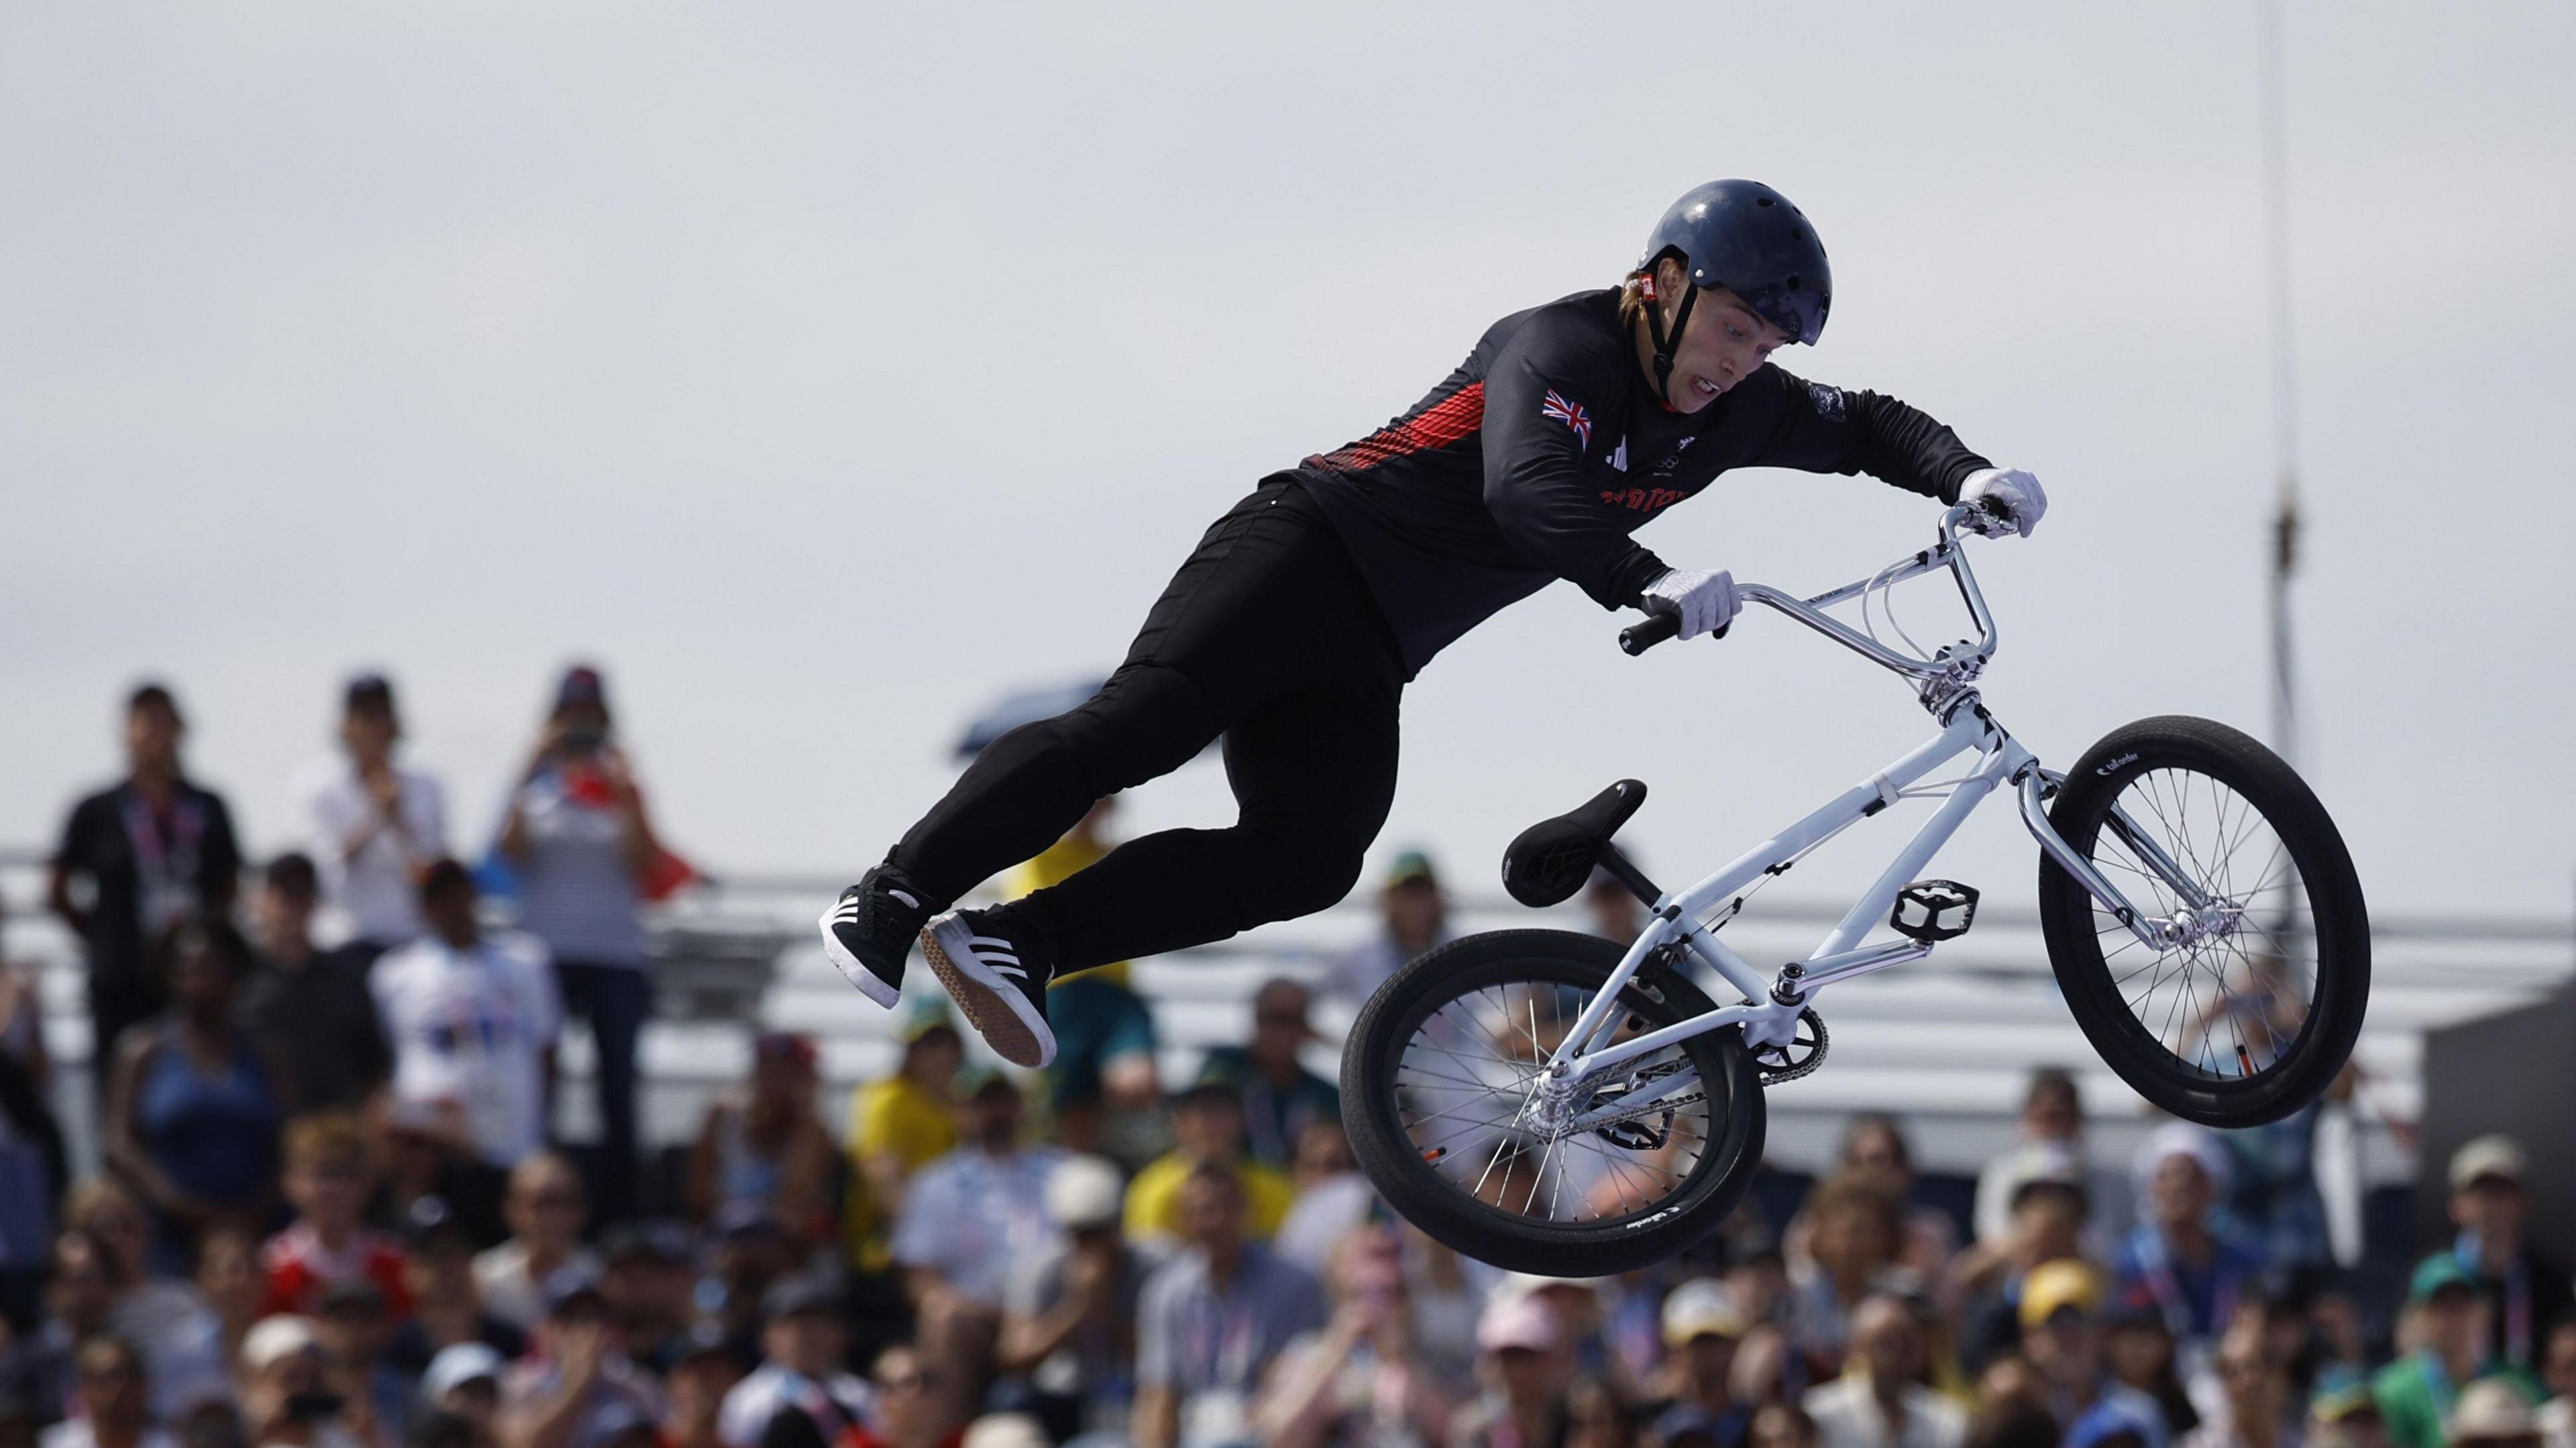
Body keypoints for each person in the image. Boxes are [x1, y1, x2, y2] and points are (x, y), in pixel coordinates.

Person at [815, 178, 2047, 1073]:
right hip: (1301, 552)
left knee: (1313, 854)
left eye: (1768, 344)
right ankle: (890, 893)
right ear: (1663, 285)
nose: (1743, 362)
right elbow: (1528, 488)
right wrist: (1643, 574)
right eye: (1734, 330)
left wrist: (1966, 474)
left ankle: (1012, 943)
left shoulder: (1738, 408)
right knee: (1142, 726)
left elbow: (1869, 422)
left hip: (1372, 650)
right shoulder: (1557, 343)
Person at [497, 664, 667, 1222]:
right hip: (546, 957)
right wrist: (530, 766)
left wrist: (625, 790)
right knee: (539, 1086)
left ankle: (622, 1209)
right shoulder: (537, 790)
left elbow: (646, 863)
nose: (581, 729)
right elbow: (506, 856)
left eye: (591, 719)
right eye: (571, 718)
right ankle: (533, 1200)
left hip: (615, 957)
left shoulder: (621, 790)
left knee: (617, 1088)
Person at [49, 684, 245, 1106]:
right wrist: (101, 937)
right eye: (144, 721)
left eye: (164, 721)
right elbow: (57, 889)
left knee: (196, 1088)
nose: (155, 733)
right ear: (125, 732)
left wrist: (205, 944)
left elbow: (230, 886)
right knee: (120, 1093)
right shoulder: (96, 809)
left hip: (193, 983)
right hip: (121, 979)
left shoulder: (207, 806)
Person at [103, 919, 286, 1269]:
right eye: (190, 969)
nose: (202, 980)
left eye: (213, 969)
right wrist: (181, 1206)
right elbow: (120, 1144)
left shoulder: (265, 1054)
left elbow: (288, 1139)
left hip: (256, 1233)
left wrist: (251, 1213)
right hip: (166, 1238)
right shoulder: (142, 1051)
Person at [891, 1070, 1062, 1435]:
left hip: (1051, 1320)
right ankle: (946, 1436)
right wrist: (981, 1313)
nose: (994, 1112)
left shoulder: (1061, 1172)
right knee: (943, 1315)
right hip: (974, 1321)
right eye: (983, 1103)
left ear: (1020, 1107)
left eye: (1003, 1101)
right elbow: (920, 1277)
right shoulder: (936, 1183)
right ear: (962, 1111)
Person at [373, 862, 563, 1178]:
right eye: (439, 898)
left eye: (458, 894)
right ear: (423, 906)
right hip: (432, 1147)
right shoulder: (394, 973)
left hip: (510, 1139)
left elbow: (547, 1048)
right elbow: (390, 1051)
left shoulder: (527, 960)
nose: (451, 906)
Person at [998, 799, 1161, 1158]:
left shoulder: (1119, 855)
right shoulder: (1034, 850)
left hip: (1114, 996)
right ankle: (1091, 1168)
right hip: (1061, 992)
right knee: (1070, 1112)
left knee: (1136, 1082)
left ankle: (1127, 1155)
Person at [1134, 1164, 1327, 1448]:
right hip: (1194, 1428)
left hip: (1271, 1427)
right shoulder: (1166, 1290)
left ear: (1245, 1212)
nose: (1215, 1221)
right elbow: (1159, 1393)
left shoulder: (1294, 1284)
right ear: (1184, 1220)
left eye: (1225, 1208)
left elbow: (1299, 1383)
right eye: (1201, 1211)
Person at [1252, 1223, 1459, 1448]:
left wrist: (1403, 1361)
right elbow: (1280, 1439)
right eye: (1363, 1295)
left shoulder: (1432, 1354)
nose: (1378, 1309)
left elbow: (1458, 1437)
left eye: (1394, 1293)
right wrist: (1334, 1355)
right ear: (1339, 1296)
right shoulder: (1306, 1354)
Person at [995, 1156, 1150, 1443]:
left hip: (1136, 1393)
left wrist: (1108, 1304)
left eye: (1099, 1230)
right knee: (1008, 1405)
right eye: (1080, 1234)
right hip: (1063, 1396)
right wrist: (1077, 1308)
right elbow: (1013, 1356)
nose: (1091, 1244)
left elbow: (1161, 1361)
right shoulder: (1039, 1269)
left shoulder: (1154, 1265)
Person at [296, 674, 447, 957]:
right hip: (347, 939)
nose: (375, 727)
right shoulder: (316, 788)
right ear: (346, 725)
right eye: (366, 716)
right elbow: (326, 870)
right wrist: (376, 817)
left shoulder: (428, 787)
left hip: (412, 940)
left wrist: (398, 820)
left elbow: (432, 874)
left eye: (382, 715)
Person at [235, 856, 392, 1116]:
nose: (293, 905)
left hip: (340, 1131)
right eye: (284, 894)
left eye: (302, 893)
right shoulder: (239, 980)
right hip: (268, 1136)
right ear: (260, 902)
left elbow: (373, 1067)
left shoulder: (346, 978)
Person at [2113, 1127, 2262, 1372]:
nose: (2179, 1185)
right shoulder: (2129, 1262)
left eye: (2193, 1176)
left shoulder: (2243, 1263)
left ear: (2213, 1187)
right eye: (2166, 1176)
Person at [2369, 1256, 2542, 1448]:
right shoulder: (2393, 1392)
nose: (2452, 1319)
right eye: (2440, 1307)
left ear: (2483, 1311)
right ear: (2417, 1317)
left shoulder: (2517, 1382)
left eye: (2462, 1305)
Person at [2433, 1137, 2571, 1374]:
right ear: (2455, 1205)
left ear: (2524, 1201)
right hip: (2447, 1400)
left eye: (2501, 1192)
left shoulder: (2553, 1282)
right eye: (2479, 1193)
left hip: (2532, 1401)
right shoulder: (2432, 1277)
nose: (2489, 1205)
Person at [685, 1035, 835, 1251]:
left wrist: (803, 1123)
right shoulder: (721, 1118)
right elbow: (697, 1195)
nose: (776, 1083)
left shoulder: (813, 1132)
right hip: (722, 1237)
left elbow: (794, 1197)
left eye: (788, 1074)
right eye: (768, 1071)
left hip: (782, 1246)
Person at [259, 1113, 415, 1321]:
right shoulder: (270, 1268)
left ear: (369, 1184)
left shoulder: (397, 1264)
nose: (337, 1187)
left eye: (350, 1174)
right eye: (325, 1173)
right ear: (291, 1182)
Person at [842, 1005, 961, 1275]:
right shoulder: (887, 1099)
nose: (938, 1054)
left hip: (956, 1242)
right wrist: (928, 1239)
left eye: (945, 1042)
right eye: (925, 1044)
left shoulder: (965, 1103)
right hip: (890, 1246)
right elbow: (881, 1173)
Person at [1955, 1149, 2090, 1376]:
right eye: (2034, 1240)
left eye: (2054, 1241)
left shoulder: (2095, 1288)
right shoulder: (1993, 1304)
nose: (2050, 1203)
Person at [497, 1273, 667, 1448]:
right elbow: (524, 1444)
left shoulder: (636, 1385)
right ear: (545, 1329)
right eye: (571, 1318)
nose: (584, 1329)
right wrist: (580, 1382)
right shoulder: (521, 1383)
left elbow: (667, 1439)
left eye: (593, 1317)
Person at [1122, 1078, 1296, 1245]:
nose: (1214, 1123)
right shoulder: (1151, 1189)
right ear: (1180, 1121)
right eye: (1203, 1112)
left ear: (1242, 1120)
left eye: (1222, 1111)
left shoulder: (1273, 1186)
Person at [1193, 979, 1340, 1171]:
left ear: (1306, 1028)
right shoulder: (1225, 1068)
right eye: (1270, 1018)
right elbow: (1201, 1127)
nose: (1280, 1031)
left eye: (1290, 1020)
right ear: (1255, 1022)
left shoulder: (1324, 1096)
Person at [2017, 1260, 2167, 1448]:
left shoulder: (2141, 1415)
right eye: (2055, 1325)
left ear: (2101, 1332)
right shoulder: (2017, 1422)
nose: (2069, 1337)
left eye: (2078, 1322)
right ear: (2029, 1338)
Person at [714, 1278, 870, 1448]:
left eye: (818, 1324)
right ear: (766, 1336)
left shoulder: (860, 1395)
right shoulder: (748, 1400)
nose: (808, 1336)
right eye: (796, 1325)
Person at [1804, 1291, 1966, 1448]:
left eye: (1906, 1344)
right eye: (1884, 1345)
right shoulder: (1818, 1415)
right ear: (1855, 1350)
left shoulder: (1946, 1422)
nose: (1895, 1356)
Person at [472, 1156, 600, 1335]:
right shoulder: (483, 1277)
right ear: (512, 1210)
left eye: (568, 1202)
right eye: (544, 1203)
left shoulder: (599, 1276)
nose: (556, 1216)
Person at [1322, 853, 1457, 1007]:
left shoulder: (1462, 954)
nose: (1416, 906)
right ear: (1388, 900)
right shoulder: (1359, 959)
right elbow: (1308, 994)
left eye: (1424, 893)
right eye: (1407, 894)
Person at [1450, 1295, 1576, 1448]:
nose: (1516, 1370)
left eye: (1527, 1356)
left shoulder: (1578, 1420)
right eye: (1506, 1357)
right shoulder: (1476, 1430)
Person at [39, 1335, 175, 1448]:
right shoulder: (56, 1444)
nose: (121, 1387)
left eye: (131, 1375)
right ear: (84, 1389)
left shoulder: (170, 1444)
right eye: (110, 1377)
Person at [2178, 1321, 2296, 1448]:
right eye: (2233, 1372)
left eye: (2254, 1367)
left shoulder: (2297, 1440)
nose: (2248, 1381)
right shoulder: (2205, 1445)